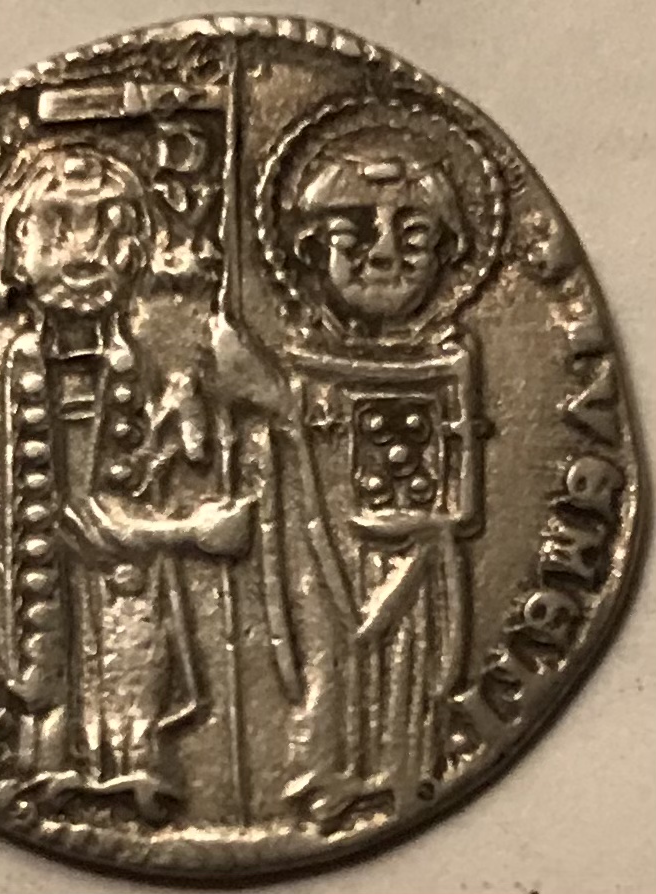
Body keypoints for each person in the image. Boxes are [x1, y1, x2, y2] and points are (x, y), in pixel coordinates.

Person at [0, 141, 253, 819]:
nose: (84, 253)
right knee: (68, 671)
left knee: (134, 665)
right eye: (59, 228)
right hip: (64, 592)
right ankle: (70, 770)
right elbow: (81, 520)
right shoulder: (30, 365)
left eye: (108, 231)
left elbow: (128, 471)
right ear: (16, 251)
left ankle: (129, 769)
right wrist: (192, 531)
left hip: (130, 592)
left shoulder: (126, 357)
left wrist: (180, 417)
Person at [244, 128, 486, 827]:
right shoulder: (304, 359)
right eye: (351, 234)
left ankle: (400, 772)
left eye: (413, 236)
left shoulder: (448, 361)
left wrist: (269, 397)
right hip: (323, 558)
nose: (382, 253)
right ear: (309, 251)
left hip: (412, 564)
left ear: (447, 253)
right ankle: (335, 771)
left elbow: (462, 502)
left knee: (406, 673)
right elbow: (286, 471)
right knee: (329, 659)